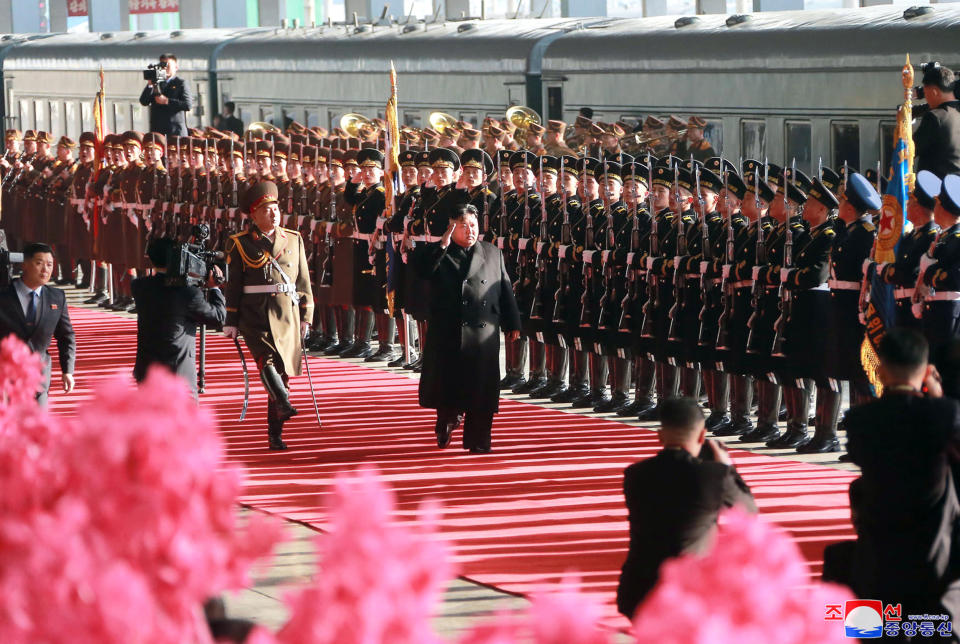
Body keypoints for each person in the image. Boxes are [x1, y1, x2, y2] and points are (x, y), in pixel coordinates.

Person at [823, 328, 960, 624]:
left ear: (881, 370)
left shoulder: (861, 420)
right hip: (933, 555)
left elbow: (860, 457)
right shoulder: (945, 414)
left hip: (879, 558)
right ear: (926, 372)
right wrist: (936, 397)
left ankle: (870, 629)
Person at [616, 396, 756, 619]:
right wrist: (727, 468)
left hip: (639, 591)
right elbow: (748, 512)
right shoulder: (713, 476)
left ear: (660, 436)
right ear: (702, 435)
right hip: (691, 595)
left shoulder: (635, 474)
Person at [412, 204, 521, 454]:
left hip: (483, 331)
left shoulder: (491, 252)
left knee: (482, 387)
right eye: (463, 226)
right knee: (448, 383)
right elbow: (423, 272)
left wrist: (513, 322)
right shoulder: (438, 251)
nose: (470, 231)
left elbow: (503, 287)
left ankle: (478, 440)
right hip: (449, 329)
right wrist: (442, 244)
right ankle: (447, 421)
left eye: (473, 225)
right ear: (452, 227)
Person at [223, 181, 314, 450]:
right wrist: (231, 320)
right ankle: (284, 403)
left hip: (287, 314)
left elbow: (304, 282)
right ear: (253, 215)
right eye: (265, 210)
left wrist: (306, 315)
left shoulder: (294, 239)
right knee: (266, 360)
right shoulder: (239, 243)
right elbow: (234, 284)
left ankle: (275, 432)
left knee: (282, 373)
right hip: (255, 313)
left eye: (275, 208)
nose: (273, 214)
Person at [131, 238, 227, 400]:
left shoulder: (139, 286)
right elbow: (218, 318)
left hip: (146, 372)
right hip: (178, 376)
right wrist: (214, 288)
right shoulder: (188, 294)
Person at [0, 242, 76, 405]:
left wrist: (67, 370)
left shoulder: (56, 297)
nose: (45, 269)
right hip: (5, 377)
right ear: (24, 264)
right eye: (39, 263)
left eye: (49, 264)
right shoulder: (4, 295)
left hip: (38, 378)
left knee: (35, 426)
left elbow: (66, 336)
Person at [914, 64, 960, 179]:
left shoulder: (935, 117)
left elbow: (909, 150)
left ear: (934, 92)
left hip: (936, 192)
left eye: (926, 93)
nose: (927, 98)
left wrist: (903, 122)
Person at [138, 53, 194, 136]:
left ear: (176, 67)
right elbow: (144, 101)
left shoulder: (180, 83)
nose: (165, 69)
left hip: (175, 131)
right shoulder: (156, 83)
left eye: (168, 66)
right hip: (157, 131)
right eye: (163, 66)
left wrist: (167, 101)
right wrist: (150, 84)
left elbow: (187, 105)